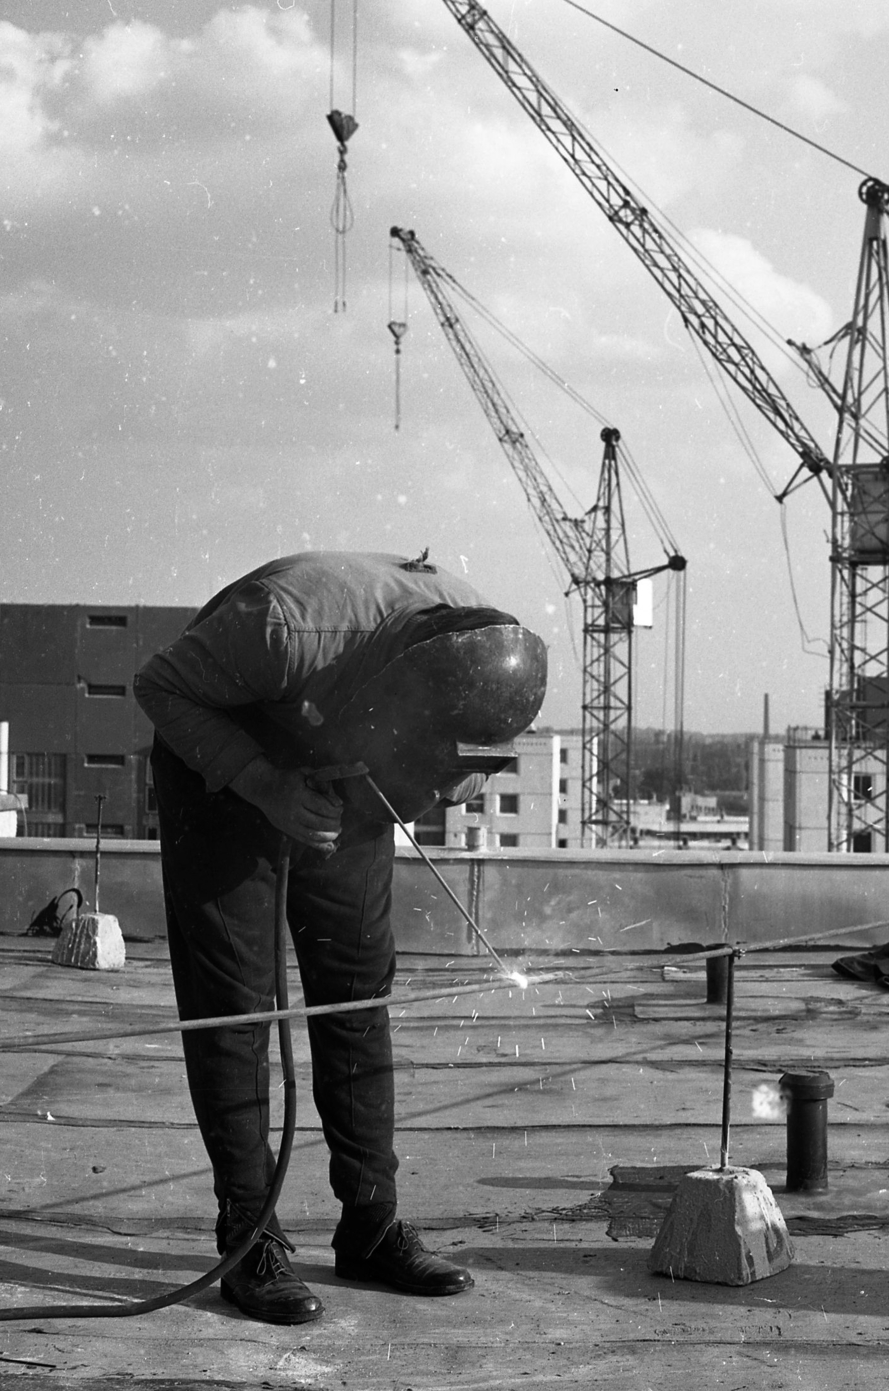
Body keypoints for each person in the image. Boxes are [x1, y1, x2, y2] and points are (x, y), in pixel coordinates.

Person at [134, 550, 545, 1325]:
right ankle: (248, 1241)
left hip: (348, 746)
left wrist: (434, 778)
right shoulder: (283, 627)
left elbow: (459, 753)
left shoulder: (488, 648)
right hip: (222, 753)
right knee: (237, 1003)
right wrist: (261, 783)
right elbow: (157, 685)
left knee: (356, 989)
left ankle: (371, 1225)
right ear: (401, 697)